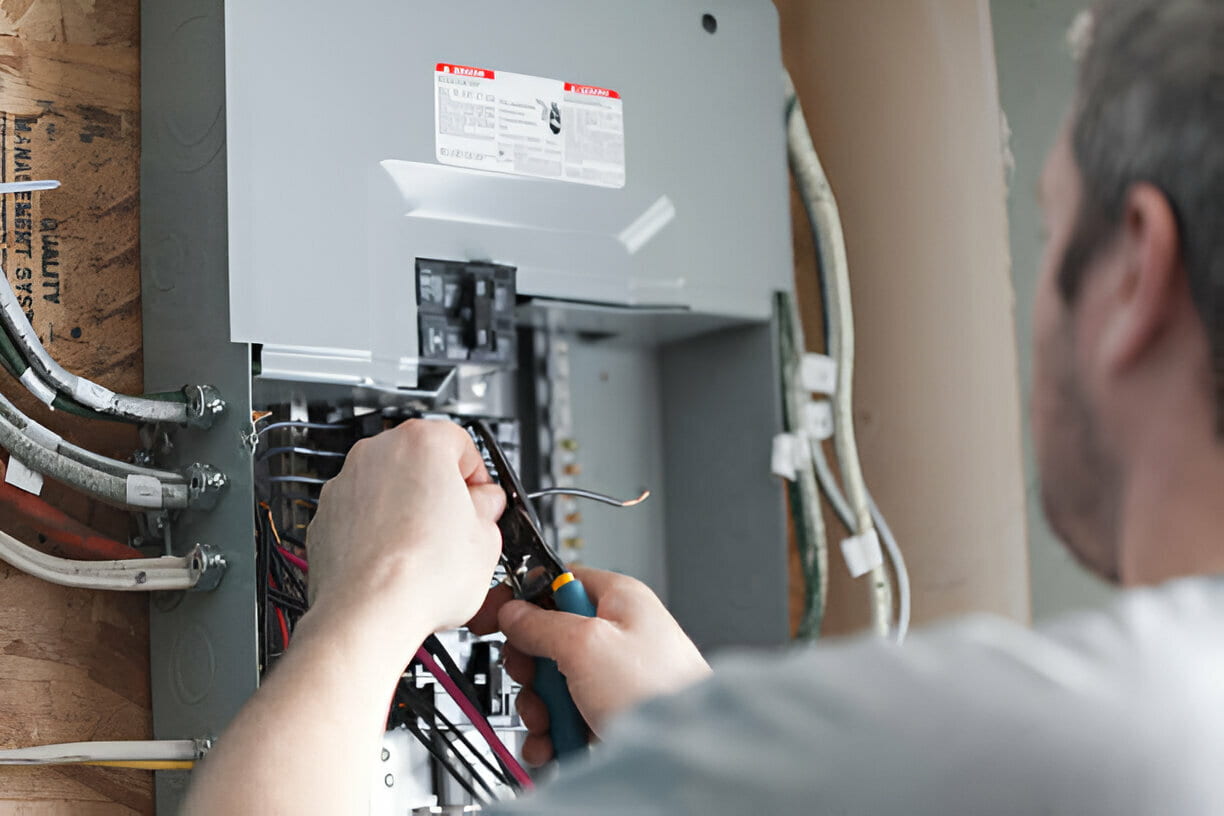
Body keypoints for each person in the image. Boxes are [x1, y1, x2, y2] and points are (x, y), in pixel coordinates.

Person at [183, 0, 1224, 812]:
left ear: (1134, 270)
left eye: (1048, 240)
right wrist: (699, 745)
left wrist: (375, 598)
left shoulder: (1070, 745)